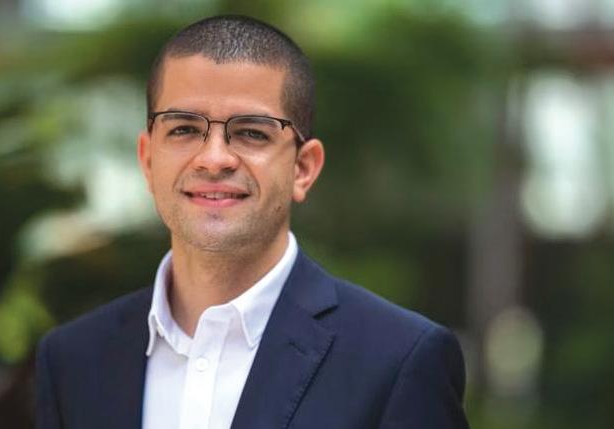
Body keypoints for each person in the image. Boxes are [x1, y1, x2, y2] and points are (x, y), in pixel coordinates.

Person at [35, 15, 469, 429]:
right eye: (184, 129)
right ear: (148, 160)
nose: (213, 159)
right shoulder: (73, 361)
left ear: (303, 168)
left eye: (251, 132)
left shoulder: (398, 361)